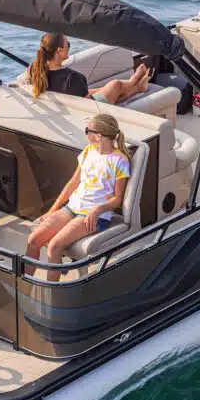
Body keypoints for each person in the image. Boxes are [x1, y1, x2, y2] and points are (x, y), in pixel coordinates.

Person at [26, 113, 131, 282]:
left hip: (93, 215)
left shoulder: (120, 160)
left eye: (87, 130)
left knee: (54, 246)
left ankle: (51, 294)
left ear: (99, 135)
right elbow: (72, 183)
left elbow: (118, 199)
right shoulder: (88, 151)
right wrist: (52, 210)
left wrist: (98, 209)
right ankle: (24, 285)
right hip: (72, 208)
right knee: (33, 240)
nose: (86, 133)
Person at [27, 33, 153, 104]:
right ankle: (136, 85)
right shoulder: (72, 78)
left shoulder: (34, 69)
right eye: (68, 45)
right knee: (116, 85)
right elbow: (89, 105)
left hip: (68, 104)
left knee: (100, 89)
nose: (69, 47)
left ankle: (135, 83)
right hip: (86, 111)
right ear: (59, 51)